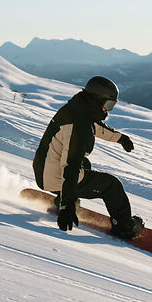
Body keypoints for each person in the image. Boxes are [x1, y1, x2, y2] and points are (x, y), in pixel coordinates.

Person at [32, 76, 143, 239]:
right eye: (108, 104)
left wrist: (120, 138)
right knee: (112, 186)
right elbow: (70, 166)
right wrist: (66, 207)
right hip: (54, 176)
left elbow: (95, 126)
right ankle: (124, 227)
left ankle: (63, 199)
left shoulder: (78, 110)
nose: (108, 110)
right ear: (97, 99)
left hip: (44, 168)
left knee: (85, 163)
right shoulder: (78, 125)